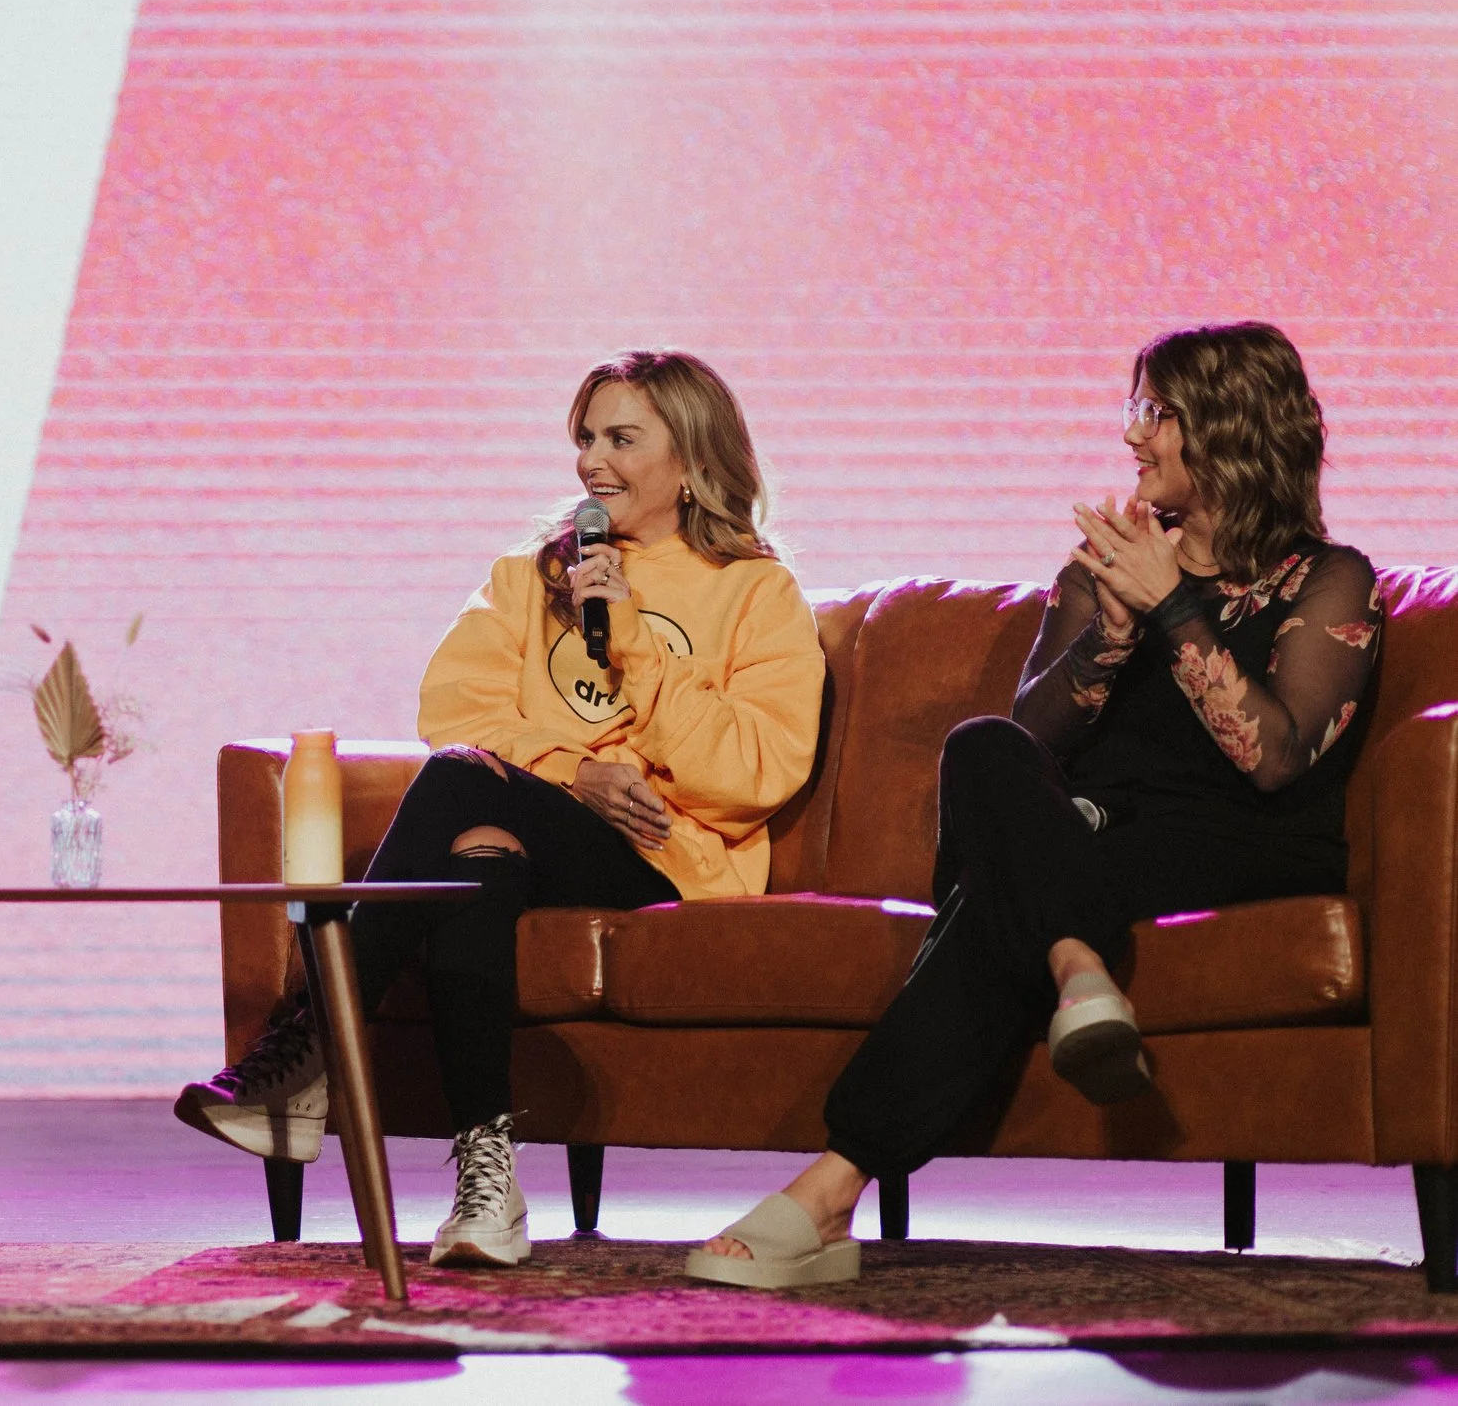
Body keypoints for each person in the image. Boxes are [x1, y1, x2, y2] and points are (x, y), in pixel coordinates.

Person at [693, 321, 1381, 1288]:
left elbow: (1271, 760)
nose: (1133, 435)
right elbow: (1036, 738)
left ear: (1229, 427)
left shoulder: (1329, 578)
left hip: (1238, 840)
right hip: (1091, 835)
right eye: (1135, 409)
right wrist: (1113, 624)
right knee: (983, 749)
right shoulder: (1109, 568)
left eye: (1157, 412)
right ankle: (1075, 960)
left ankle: (831, 1187)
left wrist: (1177, 607)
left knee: (994, 902)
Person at [177, 351, 826, 1267]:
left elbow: (752, 773)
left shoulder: (756, 592)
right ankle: (488, 1182)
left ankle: (309, 1046)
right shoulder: (530, 579)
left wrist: (633, 639)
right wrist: (573, 772)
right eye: (586, 438)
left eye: (621, 438)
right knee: (476, 846)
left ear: (690, 459)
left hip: (666, 859)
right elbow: (456, 710)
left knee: (462, 785)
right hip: (542, 825)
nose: (593, 461)